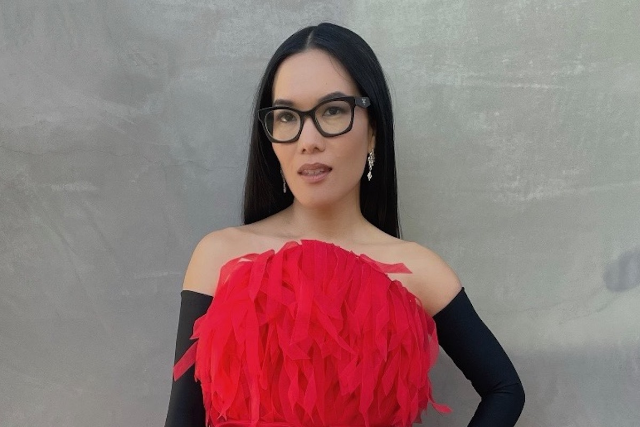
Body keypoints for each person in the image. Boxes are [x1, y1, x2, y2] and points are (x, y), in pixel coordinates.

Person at [165, 22, 525, 427]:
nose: (308, 140)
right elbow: (182, 420)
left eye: (332, 110)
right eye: (287, 116)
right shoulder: (219, 256)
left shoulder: (419, 271)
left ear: (373, 131)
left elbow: (505, 389)